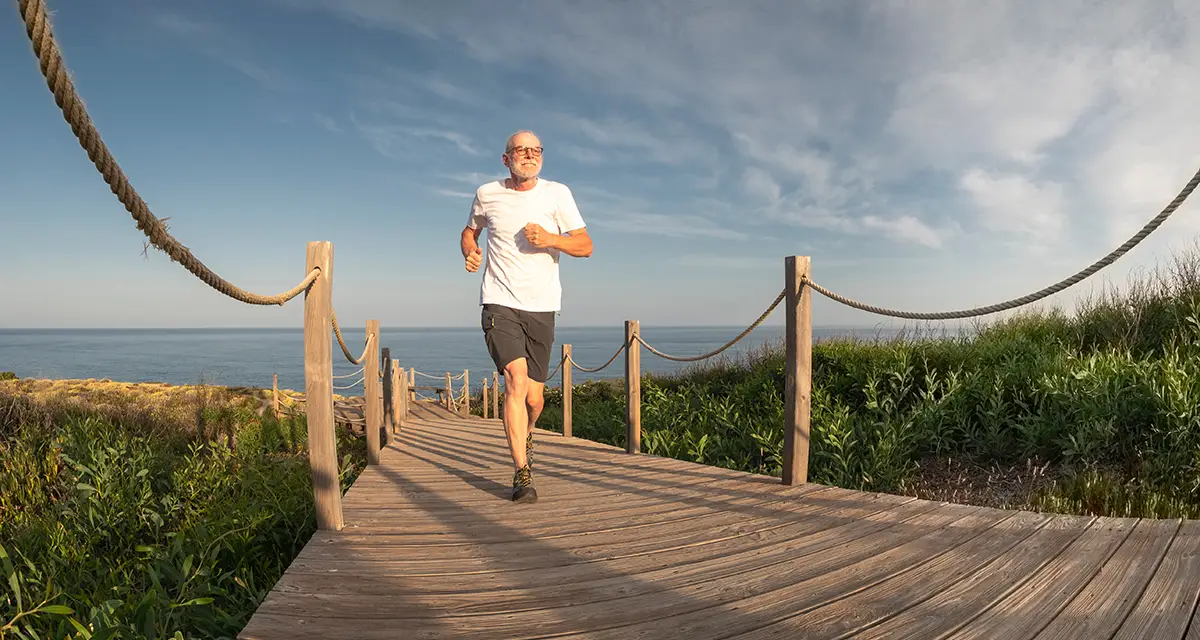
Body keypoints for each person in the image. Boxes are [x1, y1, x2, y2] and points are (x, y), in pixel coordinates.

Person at [460, 130, 593, 503]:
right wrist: (469, 250)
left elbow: (585, 245)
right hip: (499, 301)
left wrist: (551, 239)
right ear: (506, 159)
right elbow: (469, 232)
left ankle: (527, 433)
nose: (529, 155)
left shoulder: (557, 193)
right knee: (515, 381)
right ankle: (522, 472)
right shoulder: (487, 193)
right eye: (521, 150)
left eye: (536, 150)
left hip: (542, 306)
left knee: (535, 398)